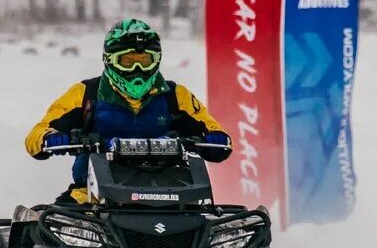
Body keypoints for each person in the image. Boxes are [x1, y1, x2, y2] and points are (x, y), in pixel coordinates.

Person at [25, 18, 232, 203]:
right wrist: (49, 138)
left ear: (156, 60)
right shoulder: (86, 94)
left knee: (222, 234)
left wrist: (216, 140)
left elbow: (213, 131)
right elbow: (36, 135)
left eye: (144, 61)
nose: (137, 70)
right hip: (93, 198)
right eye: (128, 61)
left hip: (171, 196)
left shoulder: (175, 95)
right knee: (42, 230)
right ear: (110, 60)